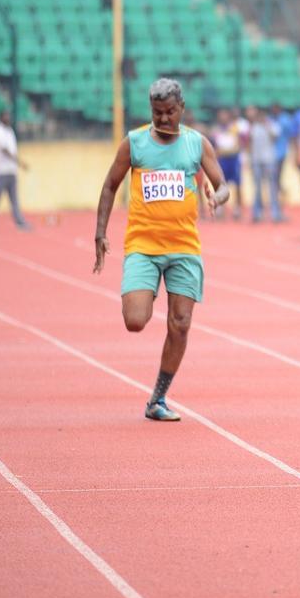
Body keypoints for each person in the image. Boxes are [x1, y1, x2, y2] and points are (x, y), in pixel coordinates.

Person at [93, 78, 229, 422]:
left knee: (180, 323)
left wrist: (216, 196)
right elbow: (110, 184)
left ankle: (158, 398)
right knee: (135, 321)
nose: (164, 119)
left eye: (170, 112)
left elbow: (223, 185)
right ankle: (147, 287)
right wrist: (100, 233)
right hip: (143, 245)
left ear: (181, 109)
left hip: (184, 247)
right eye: (158, 113)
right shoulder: (135, 143)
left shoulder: (197, 144)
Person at [0, 108, 31, 231]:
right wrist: (20, 162)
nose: (8, 118)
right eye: (5, 116)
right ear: (0, 117)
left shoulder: (9, 131)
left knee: (14, 198)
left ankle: (19, 221)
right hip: (2, 170)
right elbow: (5, 150)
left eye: (9, 115)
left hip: (11, 170)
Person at [247, 104, 283, 222]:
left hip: (269, 160)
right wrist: (250, 159)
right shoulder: (254, 127)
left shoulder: (272, 125)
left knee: (272, 187)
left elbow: (274, 138)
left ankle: (275, 212)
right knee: (257, 188)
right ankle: (257, 212)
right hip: (257, 160)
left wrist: (267, 126)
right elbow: (250, 144)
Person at [210, 108, 246, 221]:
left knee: (237, 185)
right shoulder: (216, 130)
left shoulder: (235, 128)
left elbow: (239, 145)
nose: (223, 117)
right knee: (221, 185)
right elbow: (214, 146)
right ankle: (220, 207)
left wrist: (227, 151)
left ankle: (237, 208)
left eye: (225, 115)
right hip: (222, 161)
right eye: (221, 115)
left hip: (233, 159)